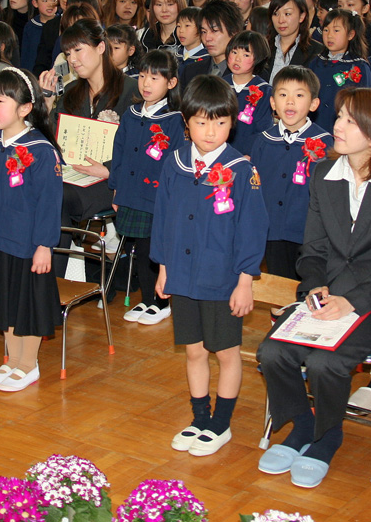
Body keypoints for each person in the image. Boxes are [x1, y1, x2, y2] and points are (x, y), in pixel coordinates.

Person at [257, 87, 371, 487]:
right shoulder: (322, 174)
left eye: (350, 120)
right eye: (340, 116)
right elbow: (312, 249)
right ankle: (303, 423)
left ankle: (328, 437)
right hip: (325, 296)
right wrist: (314, 289)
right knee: (272, 351)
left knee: (325, 363)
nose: (338, 126)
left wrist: (352, 301)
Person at [153, 74, 267, 457]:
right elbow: (164, 218)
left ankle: (221, 423)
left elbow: (253, 229)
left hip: (222, 278)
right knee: (194, 350)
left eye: (220, 122)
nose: (211, 131)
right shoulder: (174, 163)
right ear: (186, 122)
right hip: (183, 275)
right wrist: (164, 267)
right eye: (201, 122)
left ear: (232, 122)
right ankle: (200, 417)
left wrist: (245, 281)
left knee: (227, 351)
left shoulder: (241, 169)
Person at [0, 66, 63, 392]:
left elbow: (50, 203)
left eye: (2, 101)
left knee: (27, 305)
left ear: (24, 109)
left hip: (26, 243)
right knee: (5, 303)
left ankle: (27, 364)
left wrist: (44, 245)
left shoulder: (40, 151)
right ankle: (10, 360)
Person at [39, 20, 140, 275]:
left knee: (56, 197)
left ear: (101, 47)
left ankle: (52, 284)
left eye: (78, 50)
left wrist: (108, 171)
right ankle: (49, 282)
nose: (73, 59)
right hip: (71, 175)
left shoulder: (131, 90)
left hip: (109, 181)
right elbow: (52, 140)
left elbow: (140, 147)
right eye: (68, 53)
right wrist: (48, 105)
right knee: (43, 192)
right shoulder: (72, 91)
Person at [109, 49, 186, 325]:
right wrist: (116, 188)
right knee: (139, 248)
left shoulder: (175, 120)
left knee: (154, 248)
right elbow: (118, 153)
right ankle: (146, 299)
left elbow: (177, 163)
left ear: (171, 83)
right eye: (142, 76)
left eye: (155, 77)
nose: (146, 83)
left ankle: (161, 302)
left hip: (156, 196)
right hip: (131, 192)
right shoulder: (130, 114)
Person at [249, 65, 329, 279]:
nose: (290, 101)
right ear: (273, 102)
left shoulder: (326, 145)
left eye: (299, 95)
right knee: (279, 288)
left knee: (308, 290)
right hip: (272, 231)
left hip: (309, 233)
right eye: (283, 94)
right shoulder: (263, 141)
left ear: (314, 104)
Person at [307, 8, 371, 130]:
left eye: (336, 30)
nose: (329, 35)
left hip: (345, 128)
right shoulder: (316, 62)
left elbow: (365, 105)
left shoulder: (360, 66)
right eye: (326, 30)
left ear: (351, 34)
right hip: (315, 126)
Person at [224, 30, 273, 155]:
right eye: (234, 52)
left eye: (246, 55)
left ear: (258, 58)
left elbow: (263, 129)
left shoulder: (264, 91)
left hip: (248, 155)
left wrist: (251, 154)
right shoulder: (219, 86)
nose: (237, 59)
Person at [266, 0, 321, 82]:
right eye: (275, 14)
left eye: (287, 14)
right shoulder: (263, 48)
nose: (280, 20)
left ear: (302, 16)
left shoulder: (316, 51)